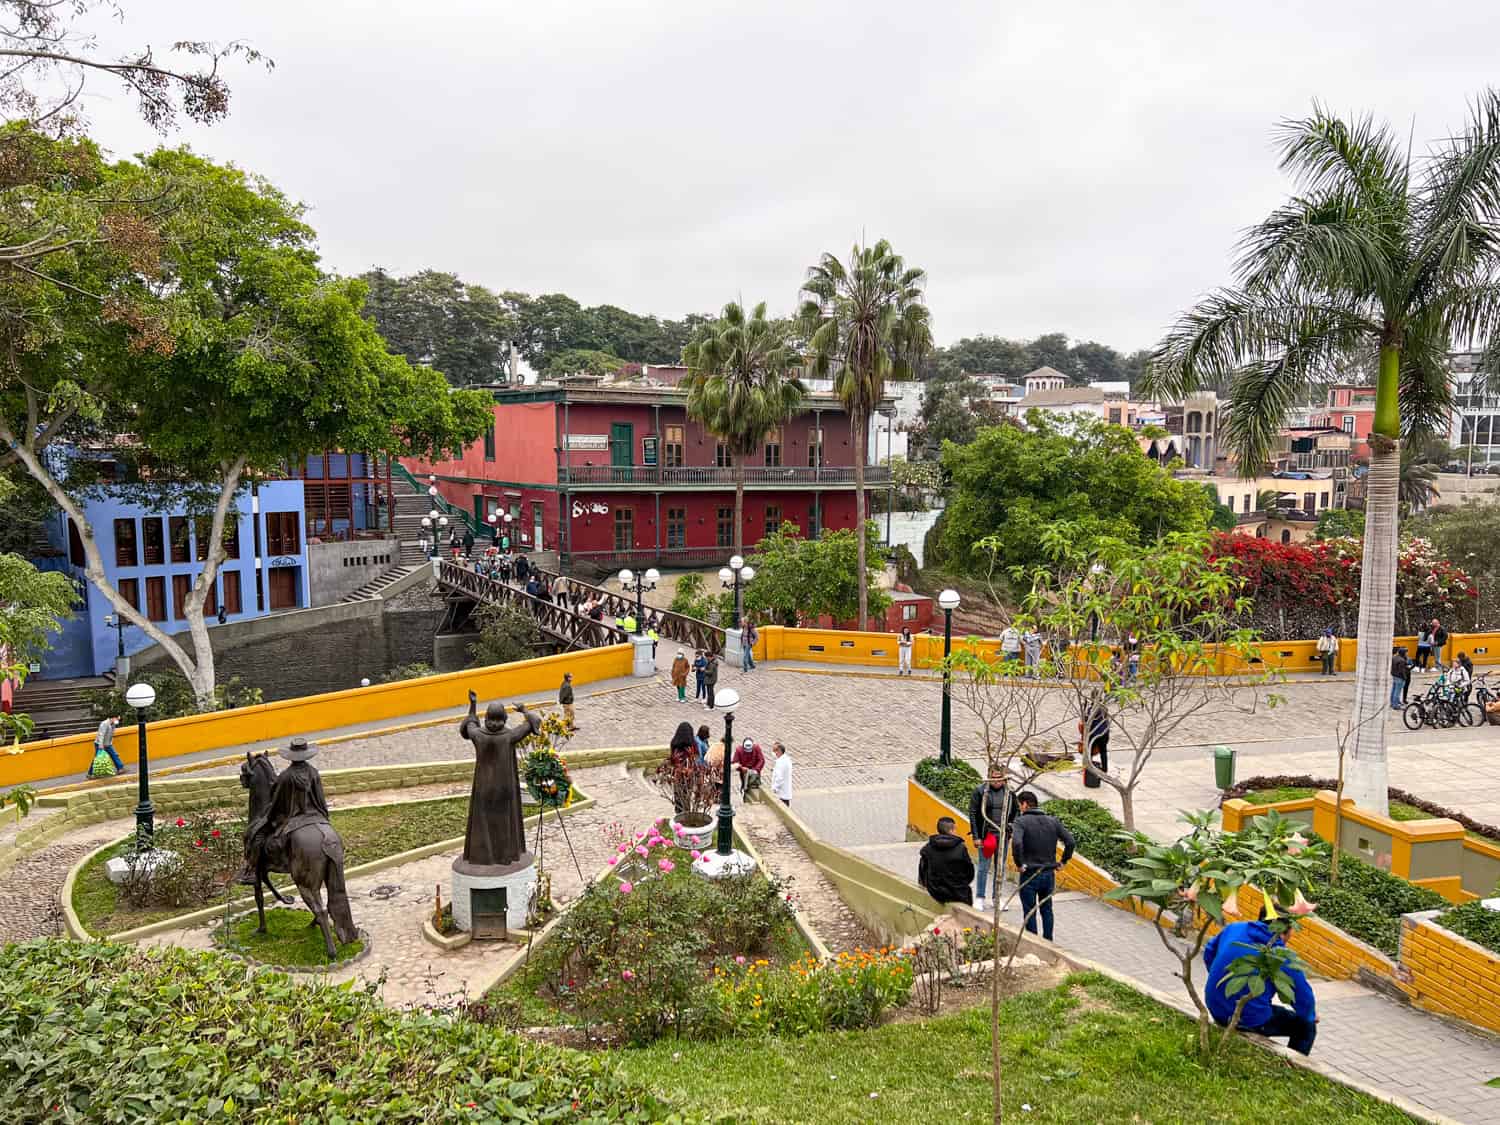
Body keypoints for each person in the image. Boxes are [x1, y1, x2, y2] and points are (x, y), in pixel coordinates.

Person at [1203, 912, 1318, 1055]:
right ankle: (1294, 1068)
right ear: (1285, 929)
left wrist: (1221, 979)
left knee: (1263, 1007)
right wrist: (1310, 1016)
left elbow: (1209, 952)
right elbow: (1303, 997)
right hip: (1246, 1018)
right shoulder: (1280, 956)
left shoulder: (1234, 928)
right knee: (1306, 1027)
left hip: (1214, 1005)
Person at [1010, 790, 1075, 941]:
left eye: (1020, 805)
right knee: (1047, 910)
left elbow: (1017, 842)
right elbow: (1070, 842)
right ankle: (1048, 942)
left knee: (1029, 911)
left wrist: (1019, 864)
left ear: (1025, 804)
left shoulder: (1021, 821)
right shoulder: (1053, 821)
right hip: (1048, 874)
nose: (1020, 809)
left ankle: (1034, 943)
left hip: (1029, 873)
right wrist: (1063, 861)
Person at [968, 765, 1020, 910]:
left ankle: (997, 897)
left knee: (1000, 868)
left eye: (1000, 778)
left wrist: (1011, 826)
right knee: (983, 867)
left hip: (1003, 835)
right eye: (994, 778)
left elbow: (1016, 812)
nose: (997, 781)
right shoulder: (980, 791)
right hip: (987, 835)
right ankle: (979, 897)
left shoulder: (1010, 792)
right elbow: (973, 813)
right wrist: (976, 836)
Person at [918, 816, 975, 906]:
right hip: (958, 894)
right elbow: (970, 872)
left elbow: (922, 872)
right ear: (951, 831)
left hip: (935, 892)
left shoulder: (927, 848)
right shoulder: (961, 848)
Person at [769, 741, 793, 806]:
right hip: (786, 793)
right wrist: (774, 770)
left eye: (774, 750)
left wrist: (774, 789)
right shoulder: (787, 759)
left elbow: (779, 778)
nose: (773, 753)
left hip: (781, 795)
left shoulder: (780, 762)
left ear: (779, 751)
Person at [1390, 646, 1409, 711]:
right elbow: (1402, 671)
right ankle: (1395, 705)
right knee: (1397, 691)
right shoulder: (1402, 660)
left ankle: (1392, 702)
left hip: (1394, 675)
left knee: (1394, 690)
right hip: (1400, 677)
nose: (1407, 653)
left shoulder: (1394, 657)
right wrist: (1405, 678)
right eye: (1406, 652)